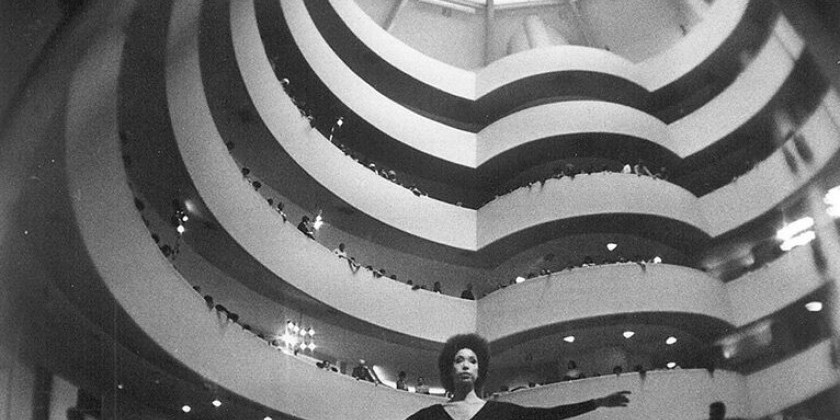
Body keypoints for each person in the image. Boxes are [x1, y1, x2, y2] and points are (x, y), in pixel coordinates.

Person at [406, 334, 630, 420]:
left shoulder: (500, 412)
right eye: (459, 360)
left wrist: (597, 403)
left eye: (472, 361)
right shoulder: (429, 416)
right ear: (449, 369)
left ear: (479, 371)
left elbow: (549, 415)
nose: (466, 365)